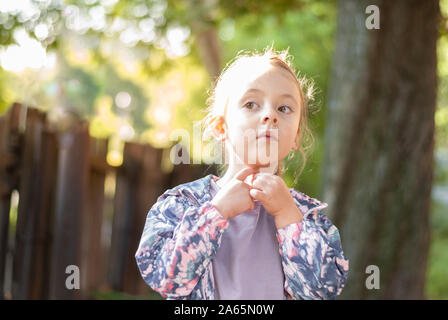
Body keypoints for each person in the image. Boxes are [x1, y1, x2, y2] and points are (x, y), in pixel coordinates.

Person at [135, 46, 349, 300]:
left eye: (284, 108)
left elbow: (322, 292)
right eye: (251, 104)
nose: (270, 115)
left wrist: (289, 216)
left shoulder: (309, 219)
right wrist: (215, 213)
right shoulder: (180, 205)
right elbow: (168, 280)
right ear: (220, 126)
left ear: (296, 137)